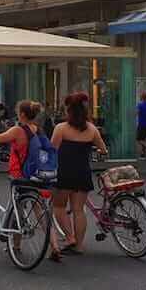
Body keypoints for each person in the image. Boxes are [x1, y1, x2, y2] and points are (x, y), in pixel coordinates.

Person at [50, 92, 108, 258]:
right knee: (79, 210)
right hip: (83, 172)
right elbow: (103, 150)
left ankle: (70, 238)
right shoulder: (92, 129)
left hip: (63, 173)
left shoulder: (61, 128)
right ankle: (79, 246)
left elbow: (52, 150)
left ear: (69, 111)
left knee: (59, 208)